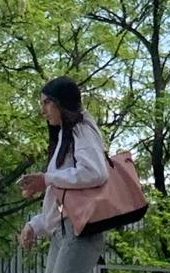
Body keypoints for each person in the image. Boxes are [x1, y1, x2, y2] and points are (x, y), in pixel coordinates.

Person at [18, 76, 110, 272]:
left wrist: (47, 179)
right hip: (66, 231)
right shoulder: (64, 133)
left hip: (79, 232)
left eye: (46, 103)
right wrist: (35, 225)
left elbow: (95, 172)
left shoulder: (81, 127)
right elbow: (62, 198)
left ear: (62, 101)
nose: (42, 110)